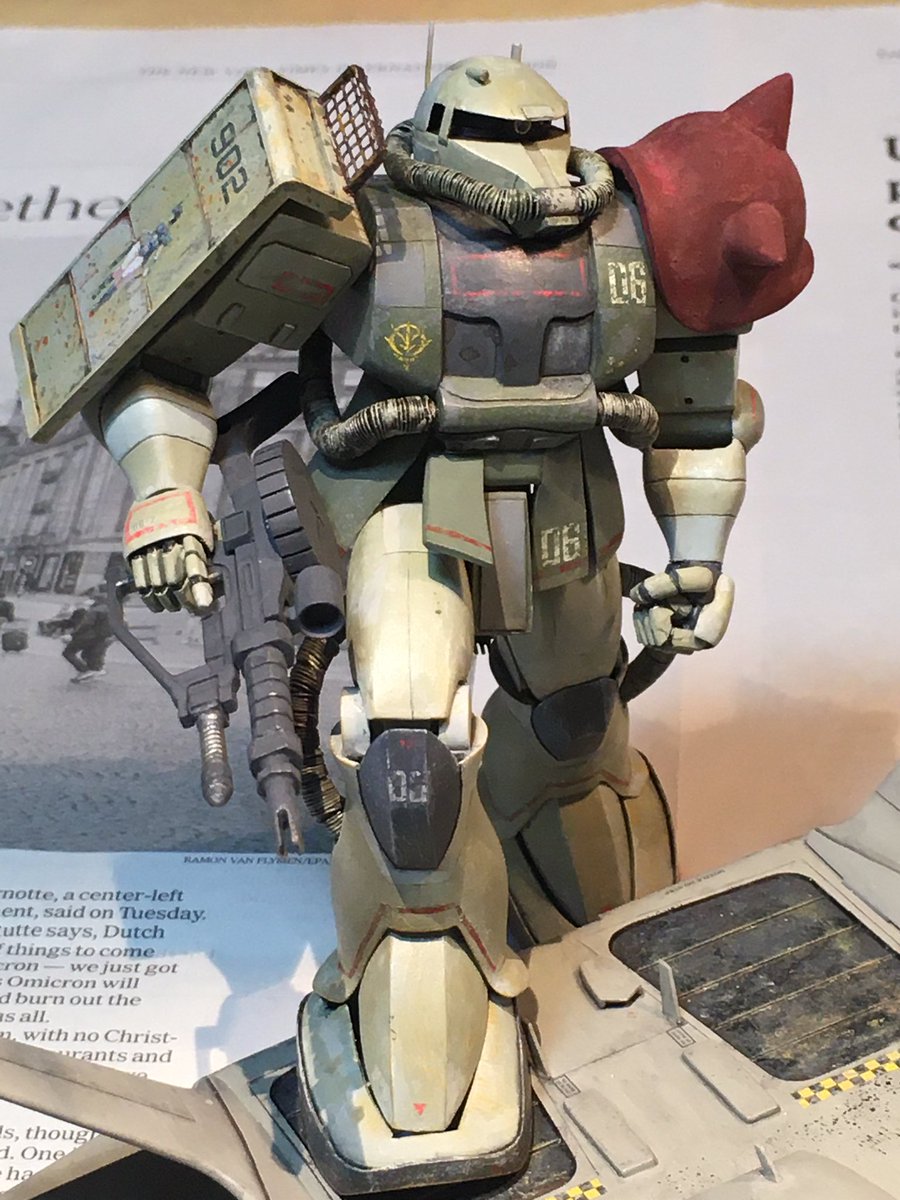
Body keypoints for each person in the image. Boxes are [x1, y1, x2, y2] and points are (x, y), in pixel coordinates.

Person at [62, 594, 113, 682]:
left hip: (87, 637)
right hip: (101, 638)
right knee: (88, 654)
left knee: (68, 652)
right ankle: (92, 671)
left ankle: (84, 670)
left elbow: (86, 625)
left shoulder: (95, 610)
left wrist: (72, 635)